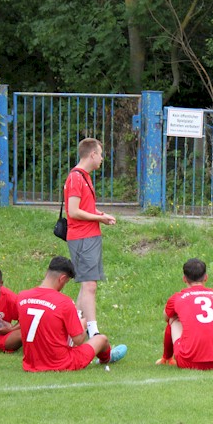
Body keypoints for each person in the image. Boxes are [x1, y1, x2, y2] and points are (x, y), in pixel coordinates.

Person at [17, 256, 127, 372]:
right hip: (61, 363)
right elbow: (78, 340)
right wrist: (83, 324)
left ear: (46, 273)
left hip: (31, 363)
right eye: (66, 282)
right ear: (62, 278)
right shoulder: (64, 302)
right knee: (101, 339)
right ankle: (106, 359)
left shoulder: (22, 296)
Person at [64, 137, 116, 339]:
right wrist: (98, 219)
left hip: (90, 236)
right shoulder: (76, 178)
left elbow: (84, 207)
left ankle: (73, 328)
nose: (102, 158)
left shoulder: (85, 177)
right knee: (90, 285)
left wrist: (100, 215)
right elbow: (73, 211)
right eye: (101, 154)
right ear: (92, 154)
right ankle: (93, 331)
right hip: (82, 237)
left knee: (87, 284)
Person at [157, 258, 213, 370]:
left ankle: (166, 358)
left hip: (188, 362)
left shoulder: (177, 298)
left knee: (172, 318)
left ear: (184, 279)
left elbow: (166, 317)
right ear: (206, 277)